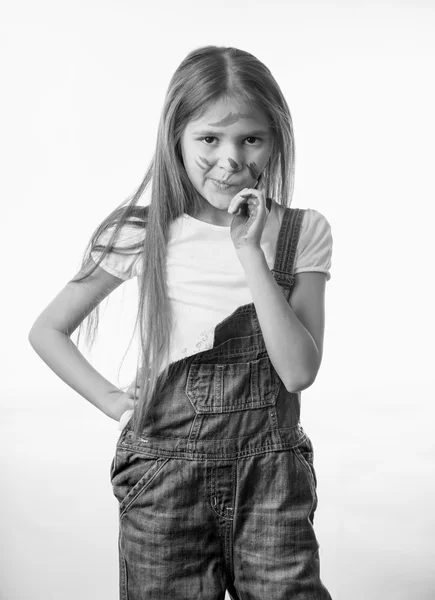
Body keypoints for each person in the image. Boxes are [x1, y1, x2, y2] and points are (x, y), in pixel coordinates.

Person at [29, 45, 333, 599]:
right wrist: (114, 401)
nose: (231, 158)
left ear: (277, 141)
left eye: (252, 139)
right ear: (177, 138)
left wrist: (249, 253)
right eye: (210, 139)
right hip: (164, 481)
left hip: (272, 481)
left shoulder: (300, 232)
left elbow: (297, 372)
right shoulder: (142, 233)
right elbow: (47, 330)